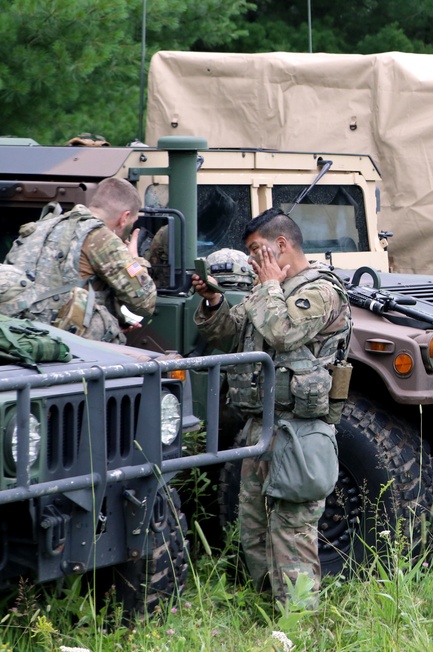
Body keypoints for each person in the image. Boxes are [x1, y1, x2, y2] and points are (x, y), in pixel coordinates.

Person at [193, 208, 351, 606]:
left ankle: (298, 621)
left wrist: (268, 287)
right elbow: (229, 335)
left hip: (297, 431)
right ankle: (268, 615)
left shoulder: (319, 291)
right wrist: (213, 301)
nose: (251, 260)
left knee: (292, 532)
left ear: (281, 245)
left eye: (256, 250)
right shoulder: (269, 289)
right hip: (260, 428)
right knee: (254, 528)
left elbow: (282, 332)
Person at [3, 177, 156, 343]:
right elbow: (145, 302)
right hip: (65, 345)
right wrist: (135, 260)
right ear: (124, 218)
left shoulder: (39, 227)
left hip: (15, 334)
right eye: (132, 222)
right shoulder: (101, 237)